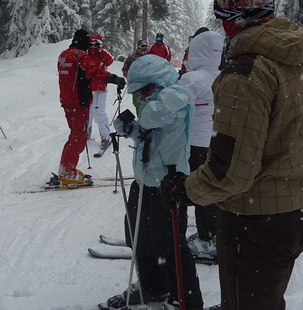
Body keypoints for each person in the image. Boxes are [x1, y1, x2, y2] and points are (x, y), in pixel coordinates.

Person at [160, 0, 303, 310]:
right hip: (293, 217)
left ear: (229, 20)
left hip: (252, 225)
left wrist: (185, 191)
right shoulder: (300, 61)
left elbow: (230, 172)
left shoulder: (244, 73)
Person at [102, 54, 203, 310]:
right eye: (139, 93)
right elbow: (147, 131)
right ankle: (152, 288)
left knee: (170, 247)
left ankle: (185, 301)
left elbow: (156, 117)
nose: (143, 97)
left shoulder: (179, 93)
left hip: (169, 184)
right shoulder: (154, 100)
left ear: (159, 81)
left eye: (145, 90)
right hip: (144, 179)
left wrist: (142, 120)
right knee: (139, 239)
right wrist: (131, 130)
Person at [54, 29, 125, 187]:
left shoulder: (63, 55)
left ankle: (66, 169)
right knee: (78, 139)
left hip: (67, 101)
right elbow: (94, 72)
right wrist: (112, 78)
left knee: (74, 136)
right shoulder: (80, 55)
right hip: (79, 102)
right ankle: (67, 174)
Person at [178, 28, 224, 263]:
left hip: (194, 144)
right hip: (215, 142)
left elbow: (175, 110)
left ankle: (208, 241)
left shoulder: (192, 79)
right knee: (210, 188)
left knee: (194, 188)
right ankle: (211, 234)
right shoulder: (223, 75)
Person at [86, 34, 115, 148]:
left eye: (95, 43)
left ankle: (105, 136)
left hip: (100, 88)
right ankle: (86, 132)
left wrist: (100, 50)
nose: (93, 46)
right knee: (88, 112)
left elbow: (109, 61)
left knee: (99, 112)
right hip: (87, 87)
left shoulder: (101, 54)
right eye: (91, 43)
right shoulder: (86, 54)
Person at [122, 40, 149, 115]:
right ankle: (140, 119)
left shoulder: (150, 57)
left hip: (148, 84)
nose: (144, 48)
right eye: (142, 46)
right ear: (139, 47)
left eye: (145, 46)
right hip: (136, 85)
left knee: (148, 103)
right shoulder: (132, 57)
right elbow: (125, 69)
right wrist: (131, 76)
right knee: (137, 103)